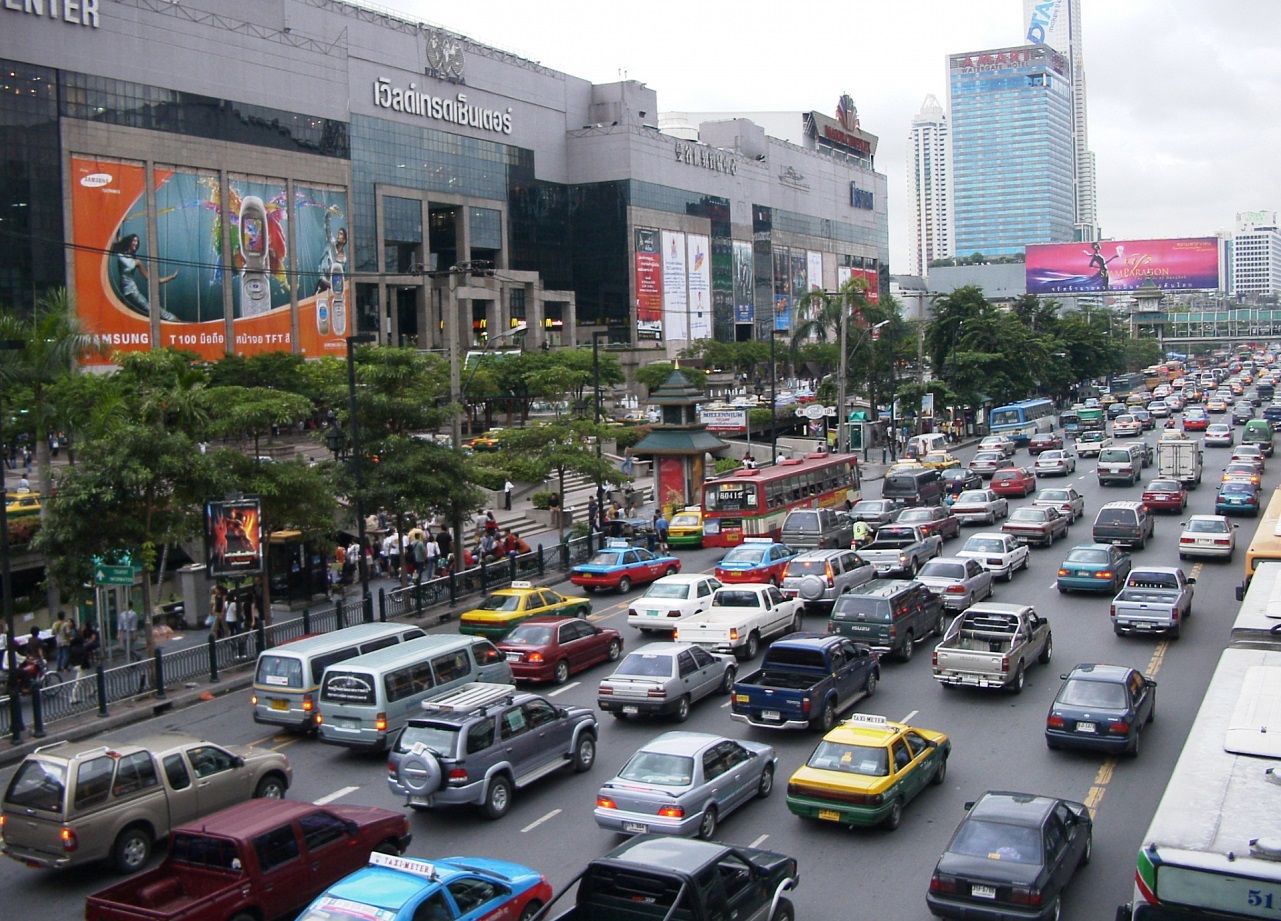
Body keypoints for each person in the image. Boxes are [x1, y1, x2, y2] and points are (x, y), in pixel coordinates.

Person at [111, 233, 179, 320]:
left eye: (137, 241)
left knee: (153, 310)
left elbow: (149, 279)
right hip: (123, 294)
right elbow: (116, 238)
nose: (136, 243)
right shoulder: (120, 253)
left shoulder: (137, 261)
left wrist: (171, 277)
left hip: (132, 292)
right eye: (134, 240)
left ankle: (175, 319)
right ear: (129, 241)